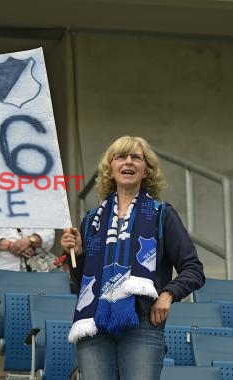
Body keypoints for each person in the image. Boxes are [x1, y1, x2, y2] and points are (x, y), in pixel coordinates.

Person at [61, 136, 205, 380]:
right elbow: (79, 283)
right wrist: (75, 254)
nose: (128, 162)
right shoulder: (92, 220)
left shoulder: (163, 214)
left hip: (143, 325)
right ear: (111, 168)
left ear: (146, 169)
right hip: (94, 323)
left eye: (136, 157)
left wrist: (168, 294)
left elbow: (193, 269)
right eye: (121, 157)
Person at [0, 228, 57, 297]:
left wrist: (30, 241)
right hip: (0, 273)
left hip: (36, 274)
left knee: (37, 310)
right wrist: (13, 246)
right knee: (3, 311)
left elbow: (50, 234)